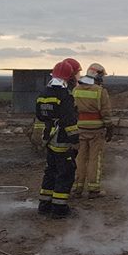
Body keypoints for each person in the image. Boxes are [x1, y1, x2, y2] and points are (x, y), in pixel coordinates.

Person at [36, 59, 82, 218]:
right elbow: (70, 122)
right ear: (68, 77)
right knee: (66, 173)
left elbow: (39, 115)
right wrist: (75, 141)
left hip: (49, 139)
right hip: (62, 140)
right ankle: (59, 209)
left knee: (50, 172)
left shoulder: (43, 94)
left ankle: (44, 205)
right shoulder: (65, 96)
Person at [71, 62, 113, 199]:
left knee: (80, 158)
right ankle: (94, 189)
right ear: (97, 75)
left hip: (80, 129)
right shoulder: (100, 91)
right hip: (96, 130)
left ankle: (77, 188)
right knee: (95, 159)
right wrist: (109, 127)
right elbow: (106, 112)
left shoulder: (76, 90)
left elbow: (73, 110)